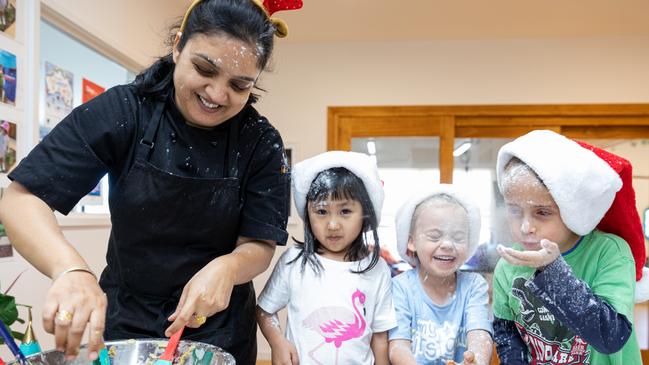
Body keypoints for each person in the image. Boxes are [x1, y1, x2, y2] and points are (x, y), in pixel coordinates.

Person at [0, 0, 303, 363]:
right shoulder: (124, 111)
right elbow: (22, 198)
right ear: (178, 46)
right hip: (126, 322)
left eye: (239, 86)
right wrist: (70, 269)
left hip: (220, 330)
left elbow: (259, 244)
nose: (217, 95)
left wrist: (229, 268)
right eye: (205, 69)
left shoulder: (259, 142)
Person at [493, 129, 646, 364]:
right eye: (515, 210)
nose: (526, 227)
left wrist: (553, 269)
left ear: (573, 210)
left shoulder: (609, 253)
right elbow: (507, 335)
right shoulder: (507, 266)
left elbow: (610, 336)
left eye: (542, 212)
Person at [256, 151, 397, 365]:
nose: (332, 225)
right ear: (308, 214)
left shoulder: (377, 269)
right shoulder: (295, 262)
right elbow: (265, 310)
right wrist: (278, 343)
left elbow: (379, 336)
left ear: (365, 214)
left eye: (345, 211)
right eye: (321, 212)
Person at [389, 185, 493, 365]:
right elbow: (398, 347)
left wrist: (477, 360)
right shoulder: (401, 287)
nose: (447, 244)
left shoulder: (474, 285)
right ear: (411, 241)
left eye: (458, 237)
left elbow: (480, 334)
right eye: (435, 236)